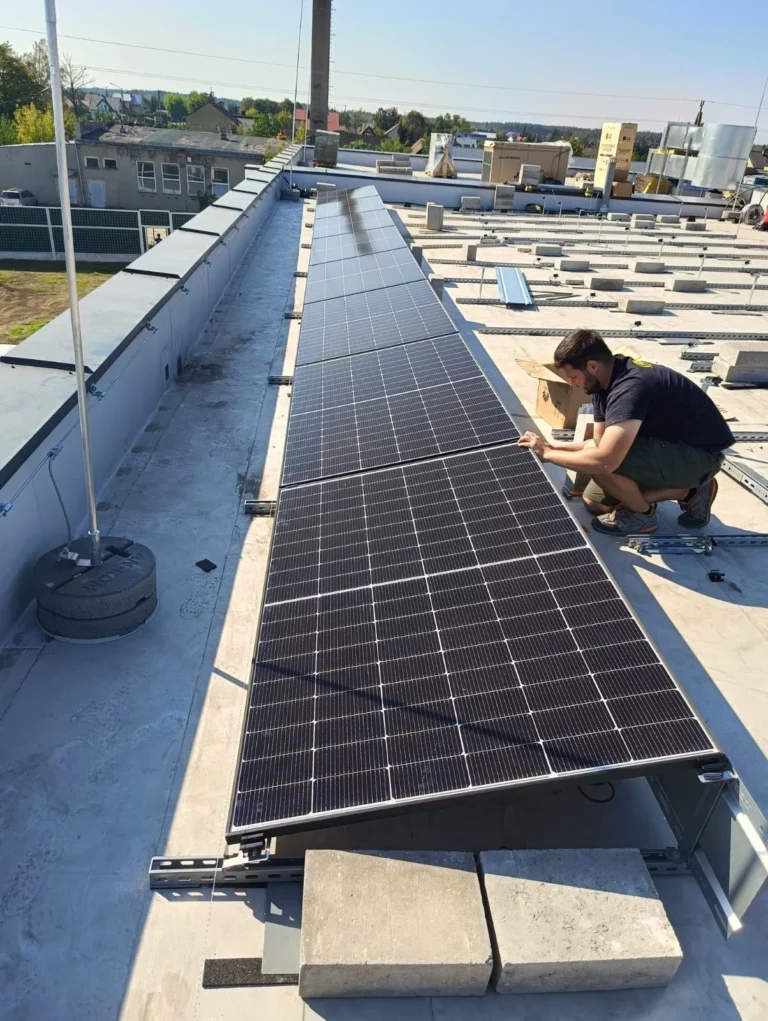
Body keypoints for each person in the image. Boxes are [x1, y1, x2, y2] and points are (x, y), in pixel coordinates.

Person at [517, 328, 735, 536]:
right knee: (594, 503)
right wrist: (551, 447)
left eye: (573, 377)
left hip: (700, 457)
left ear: (592, 366)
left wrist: (548, 455)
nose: (572, 384)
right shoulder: (602, 383)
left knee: (599, 463)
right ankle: (688, 492)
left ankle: (644, 515)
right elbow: (597, 442)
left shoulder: (631, 387)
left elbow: (605, 460)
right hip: (663, 446)